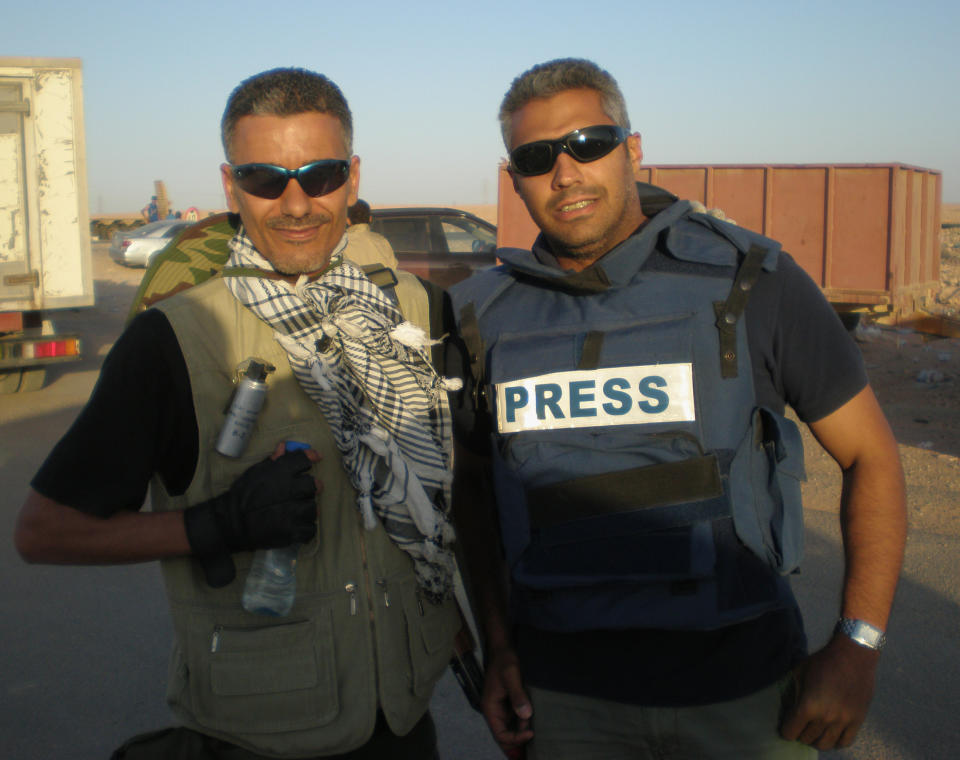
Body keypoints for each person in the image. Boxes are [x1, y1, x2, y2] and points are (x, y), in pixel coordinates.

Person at [449, 58, 906, 760]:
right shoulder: (485, 315)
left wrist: (859, 645)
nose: (565, 173)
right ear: (514, 179)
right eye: (537, 158)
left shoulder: (752, 281)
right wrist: (498, 645)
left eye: (589, 144)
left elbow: (870, 455)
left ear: (632, 149)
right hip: (566, 705)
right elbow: (475, 495)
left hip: (746, 698)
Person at [15, 67, 464, 760]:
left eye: (320, 176)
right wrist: (214, 524)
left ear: (351, 177)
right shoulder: (176, 338)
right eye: (265, 179)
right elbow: (46, 532)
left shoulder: (415, 311)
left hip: (403, 717)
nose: (295, 203)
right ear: (230, 187)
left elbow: (458, 501)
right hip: (258, 730)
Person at [345, 199, 399, 268]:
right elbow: (393, 267)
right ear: (370, 218)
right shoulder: (381, 241)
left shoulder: (340, 244)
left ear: (348, 220)